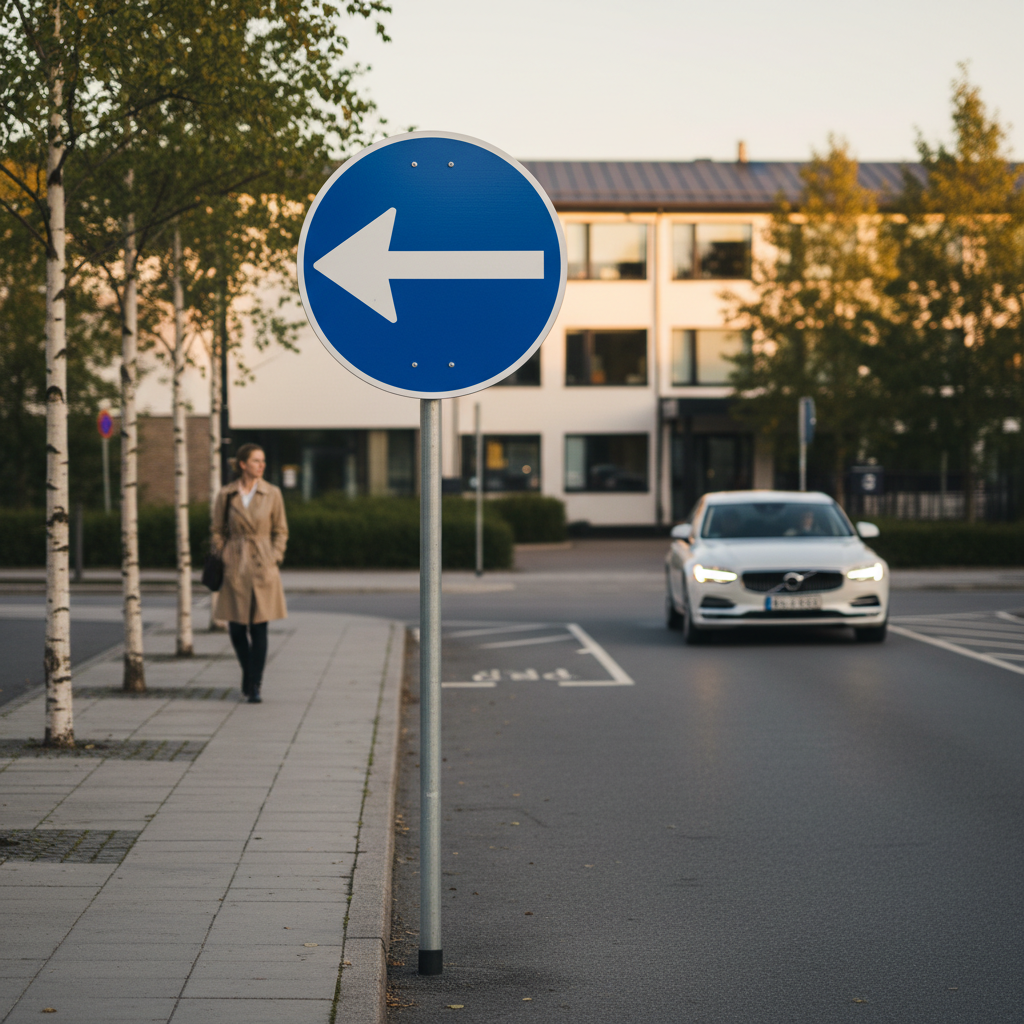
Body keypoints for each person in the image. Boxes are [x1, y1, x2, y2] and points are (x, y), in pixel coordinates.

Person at [211, 444, 289, 703]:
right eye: (256, 460)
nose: (262, 465)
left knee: (259, 627)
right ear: (242, 464)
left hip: (262, 563)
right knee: (235, 628)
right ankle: (249, 674)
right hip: (235, 564)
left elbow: (281, 530)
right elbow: (217, 529)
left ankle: (254, 683)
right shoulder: (227, 494)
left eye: (263, 460)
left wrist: (274, 556)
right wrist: (224, 554)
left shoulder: (272, 493)